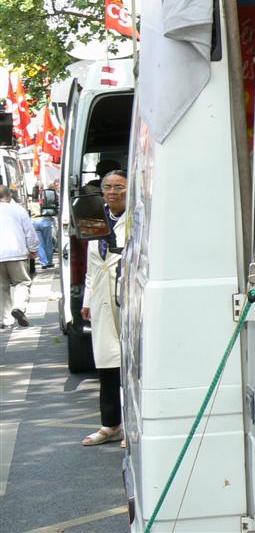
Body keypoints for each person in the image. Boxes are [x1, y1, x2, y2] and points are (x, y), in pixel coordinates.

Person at [80, 170, 127, 447]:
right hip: (101, 297)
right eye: (108, 187)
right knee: (108, 363)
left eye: (119, 187)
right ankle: (110, 425)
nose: (113, 192)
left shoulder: (139, 218)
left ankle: (132, 424)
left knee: (132, 364)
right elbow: (92, 266)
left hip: (128, 295)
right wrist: (87, 301)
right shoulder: (94, 218)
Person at [0, 185, 39, 329]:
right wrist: (33, 248)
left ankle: (6, 320)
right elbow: (29, 231)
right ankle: (19, 308)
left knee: (2, 287)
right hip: (17, 253)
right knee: (22, 282)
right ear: (9, 196)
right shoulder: (18, 210)